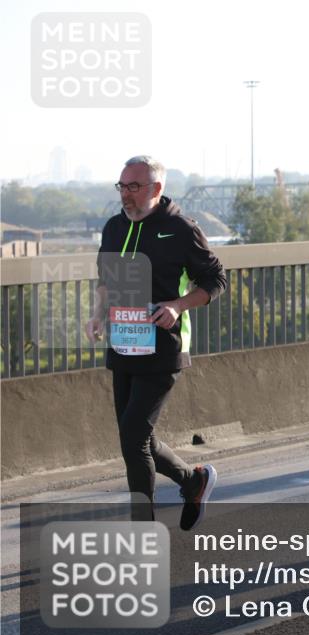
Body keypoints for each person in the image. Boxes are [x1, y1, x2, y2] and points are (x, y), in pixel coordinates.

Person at [85, 156, 227, 528]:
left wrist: (178, 306)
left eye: (134, 187)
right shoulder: (115, 226)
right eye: (122, 186)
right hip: (123, 344)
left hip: (164, 347)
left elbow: (216, 281)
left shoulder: (180, 228)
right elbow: (105, 278)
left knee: (134, 438)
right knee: (136, 438)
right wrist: (98, 314)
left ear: (157, 189)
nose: (126, 195)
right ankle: (192, 480)